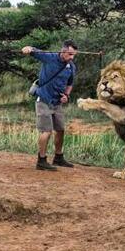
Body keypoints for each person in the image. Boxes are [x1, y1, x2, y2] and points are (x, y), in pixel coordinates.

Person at [22, 40, 77, 171]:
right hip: (44, 100)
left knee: (60, 129)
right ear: (62, 51)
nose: (72, 57)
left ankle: (58, 157)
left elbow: (70, 84)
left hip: (57, 103)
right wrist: (28, 48)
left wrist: (67, 96)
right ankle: (41, 160)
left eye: (74, 55)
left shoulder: (71, 66)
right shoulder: (50, 57)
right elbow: (34, 51)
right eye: (70, 54)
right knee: (46, 131)